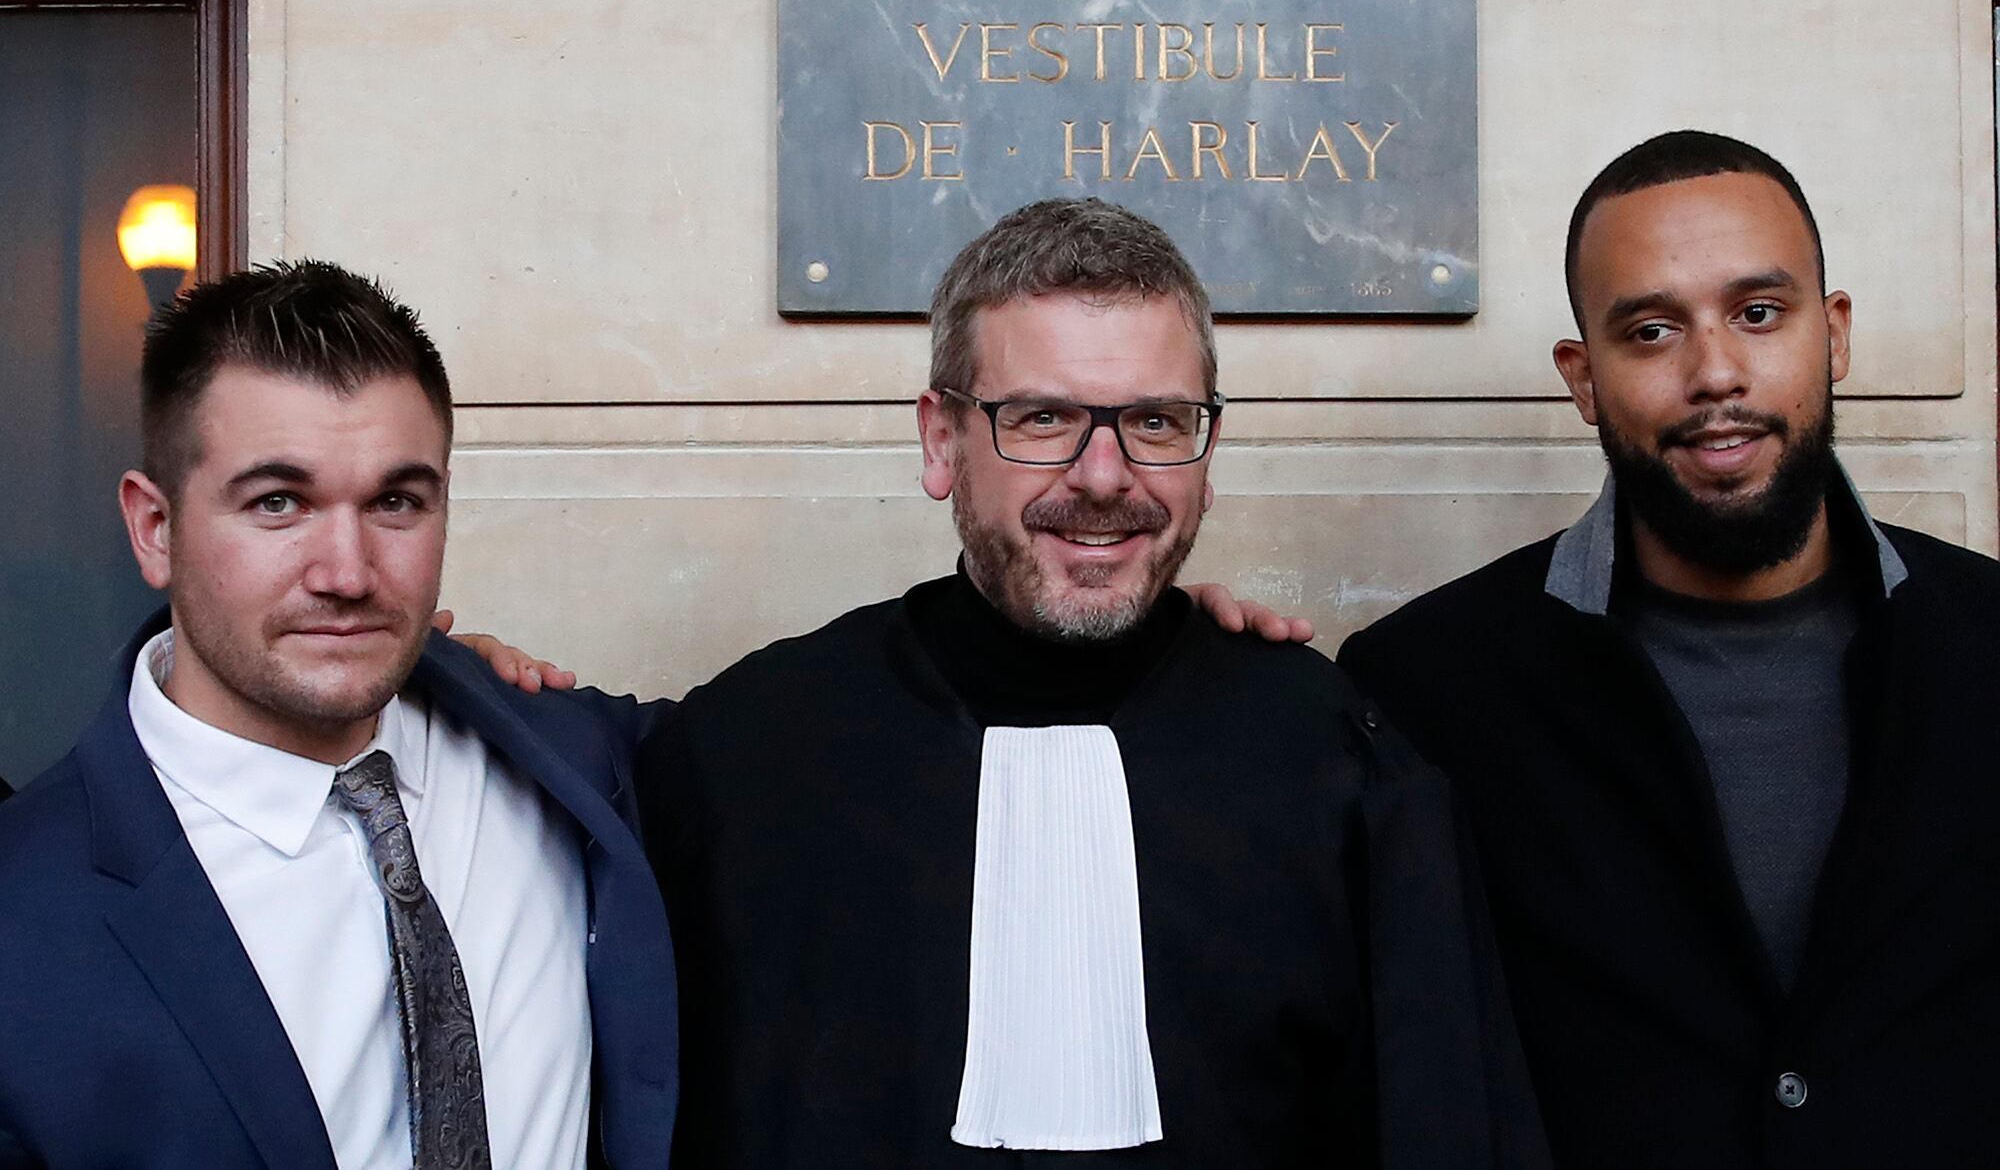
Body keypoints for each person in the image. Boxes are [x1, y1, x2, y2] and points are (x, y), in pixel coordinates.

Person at [636, 197, 1547, 1168]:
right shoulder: (747, 755)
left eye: (1155, 421)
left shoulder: (1339, 768)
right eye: (1043, 417)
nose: (1104, 475)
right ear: (940, 441)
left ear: (1207, 451)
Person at [1338, 130, 2000, 1168]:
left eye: (1756, 313)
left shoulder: (1985, 637)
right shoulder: (1424, 685)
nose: (1714, 372)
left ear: (1832, 336)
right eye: (1648, 331)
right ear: (1582, 377)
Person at [0, 262, 677, 1169]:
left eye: (396, 501)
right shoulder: (27, 907)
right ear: (155, 527)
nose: (348, 573)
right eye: (278, 502)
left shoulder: (563, 754)